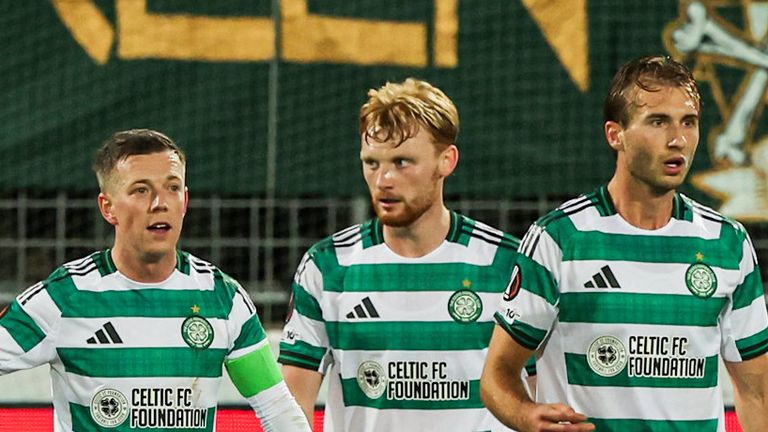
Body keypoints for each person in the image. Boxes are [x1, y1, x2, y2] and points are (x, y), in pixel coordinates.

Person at [481, 55, 768, 432]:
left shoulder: (727, 243)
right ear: (615, 134)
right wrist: (525, 417)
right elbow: (497, 376)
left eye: (689, 122)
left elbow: (757, 394)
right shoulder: (559, 239)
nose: (677, 139)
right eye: (658, 121)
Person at [0, 129, 310, 432]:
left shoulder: (223, 299)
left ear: (185, 201)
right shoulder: (64, 298)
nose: (159, 203)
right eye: (141, 190)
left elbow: (277, 408)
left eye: (172, 188)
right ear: (108, 208)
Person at [278, 78, 522, 431]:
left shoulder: (505, 265)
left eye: (402, 162)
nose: (383, 180)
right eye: (372, 163)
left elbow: (532, 395)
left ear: (446, 161)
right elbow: (291, 409)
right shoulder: (328, 267)